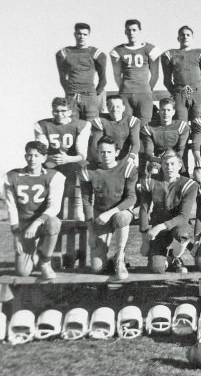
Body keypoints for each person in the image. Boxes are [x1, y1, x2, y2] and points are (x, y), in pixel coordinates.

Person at [79, 136, 138, 280]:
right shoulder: (89, 170)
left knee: (121, 217)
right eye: (102, 152)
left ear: (117, 152)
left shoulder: (127, 167)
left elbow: (131, 198)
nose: (106, 155)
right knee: (97, 268)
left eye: (109, 152)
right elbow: (86, 201)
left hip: (120, 211)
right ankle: (110, 260)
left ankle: (119, 258)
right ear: (98, 153)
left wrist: (110, 212)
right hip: (100, 213)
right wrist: (91, 230)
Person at [4, 142, 65, 279]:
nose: (32, 159)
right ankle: (34, 252)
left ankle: (45, 262)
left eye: (37, 156)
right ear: (25, 157)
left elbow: (54, 207)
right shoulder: (12, 177)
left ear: (44, 158)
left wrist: (36, 223)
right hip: (25, 227)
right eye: (30, 155)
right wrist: (16, 235)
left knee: (54, 222)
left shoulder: (54, 176)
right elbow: (11, 207)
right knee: (23, 272)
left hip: (42, 224)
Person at [139, 151, 198, 274]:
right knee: (157, 268)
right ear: (161, 165)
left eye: (172, 164)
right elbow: (144, 209)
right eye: (166, 164)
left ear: (180, 166)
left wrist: (160, 227)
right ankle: (167, 257)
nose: (169, 167)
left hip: (177, 224)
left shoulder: (188, 184)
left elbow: (183, 216)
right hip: (158, 224)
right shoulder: (151, 181)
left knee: (183, 233)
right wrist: (145, 238)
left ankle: (175, 256)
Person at [34, 97, 91, 219]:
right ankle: (46, 210)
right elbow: (41, 150)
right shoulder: (42, 125)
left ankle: (78, 208)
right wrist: (50, 159)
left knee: (84, 166)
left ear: (70, 112)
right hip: (52, 161)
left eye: (63, 111)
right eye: (56, 111)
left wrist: (68, 159)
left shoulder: (81, 125)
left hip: (72, 162)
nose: (59, 114)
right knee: (39, 169)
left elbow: (82, 154)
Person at [110, 19, 161, 126]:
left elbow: (155, 74)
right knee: (126, 125)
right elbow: (116, 75)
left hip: (144, 93)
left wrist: (147, 89)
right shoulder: (118, 51)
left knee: (144, 127)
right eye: (129, 30)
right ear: (125, 32)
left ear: (140, 31)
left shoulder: (150, 49)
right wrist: (124, 88)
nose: (131, 33)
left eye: (134, 30)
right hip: (125, 93)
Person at [56, 22, 107, 121]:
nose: (82, 37)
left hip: (89, 96)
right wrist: (70, 92)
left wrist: (93, 95)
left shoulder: (96, 53)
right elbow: (62, 76)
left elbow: (103, 79)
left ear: (89, 35)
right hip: (72, 96)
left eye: (85, 34)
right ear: (75, 34)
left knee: (93, 126)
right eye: (79, 34)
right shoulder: (65, 53)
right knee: (73, 126)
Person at [161, 26, 201, 121]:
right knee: (180, 124)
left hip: (197, 92)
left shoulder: (200, 54)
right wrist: (176, 92)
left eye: (188, 35)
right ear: (178, 38)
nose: (185, 37)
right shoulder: (170, 54)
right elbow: (166, 81)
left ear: (192, 38)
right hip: (180, 93)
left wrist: (200, 93)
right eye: (182, 35)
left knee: (199, 124)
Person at [140, 98, 189, 175]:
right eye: (163, 110)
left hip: (175, 159)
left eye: (168, 110)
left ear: (173, 112)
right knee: (154, 171)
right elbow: (149, 153)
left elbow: (181, 150)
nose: (165, 113)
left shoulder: (181, 126)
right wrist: (160, 160)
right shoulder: (149, 128)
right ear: (159, 111)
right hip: (158, 160)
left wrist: (170, 159)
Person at [90, 95, 140, 164]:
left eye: (118, 107)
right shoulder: (100, 121)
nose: (115, 109)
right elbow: (96, 145)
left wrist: (130, 158)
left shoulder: (131, 121)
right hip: (105, 156)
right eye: (111, 106)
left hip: (125, 157)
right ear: (107, 107)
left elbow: (135, 144)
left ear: (123, 108)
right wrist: (101, 160)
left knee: (133, 164)